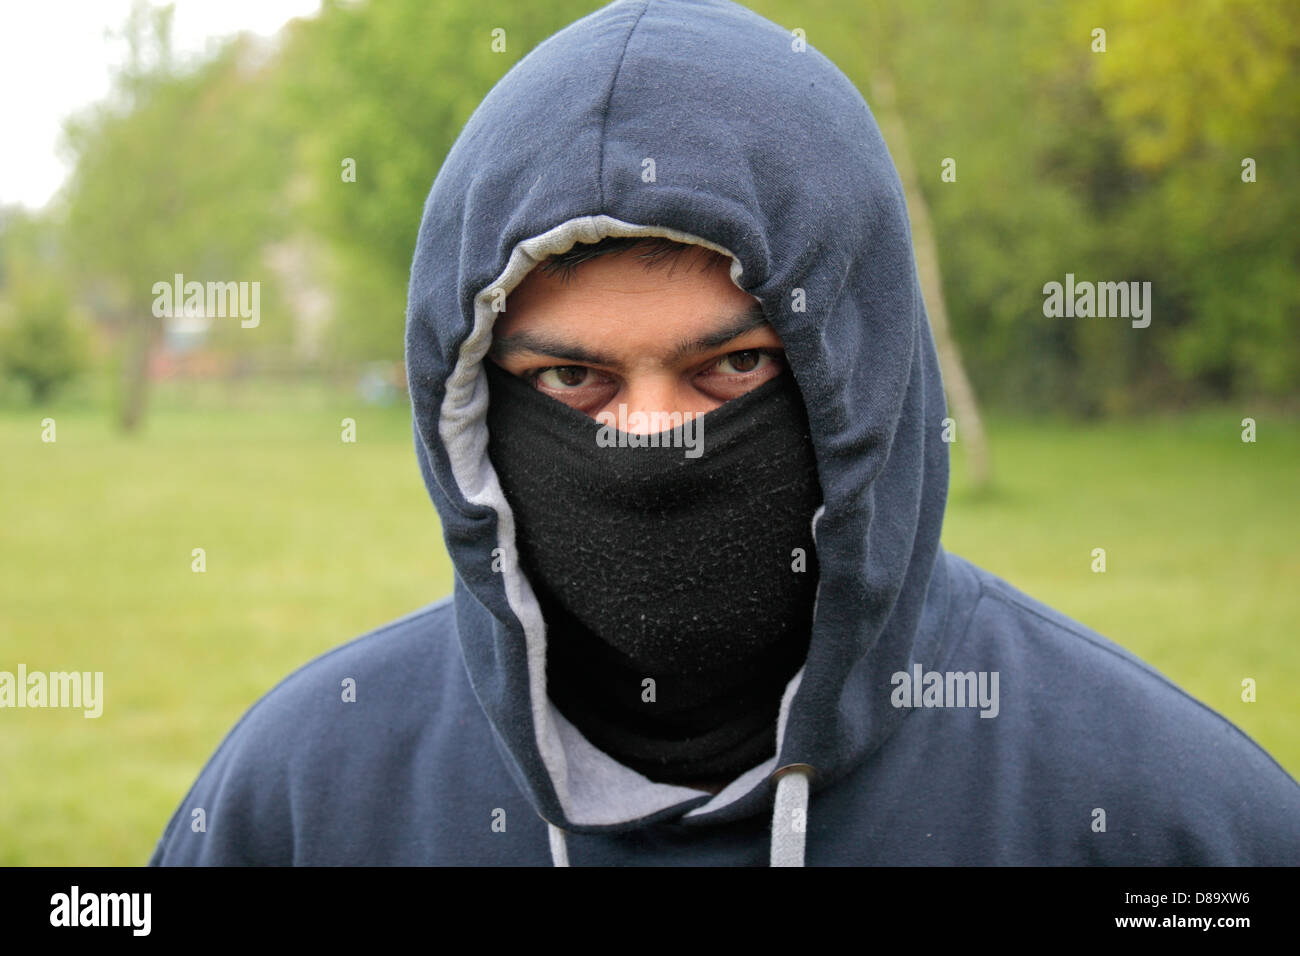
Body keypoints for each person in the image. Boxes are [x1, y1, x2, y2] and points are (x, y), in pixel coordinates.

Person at [149, 0, 1300, 866]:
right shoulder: (298, 802)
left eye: (733, 364)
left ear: (857, 368)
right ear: (467, 404)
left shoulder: (1167, 821)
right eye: (568, 377)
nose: (651, 438)